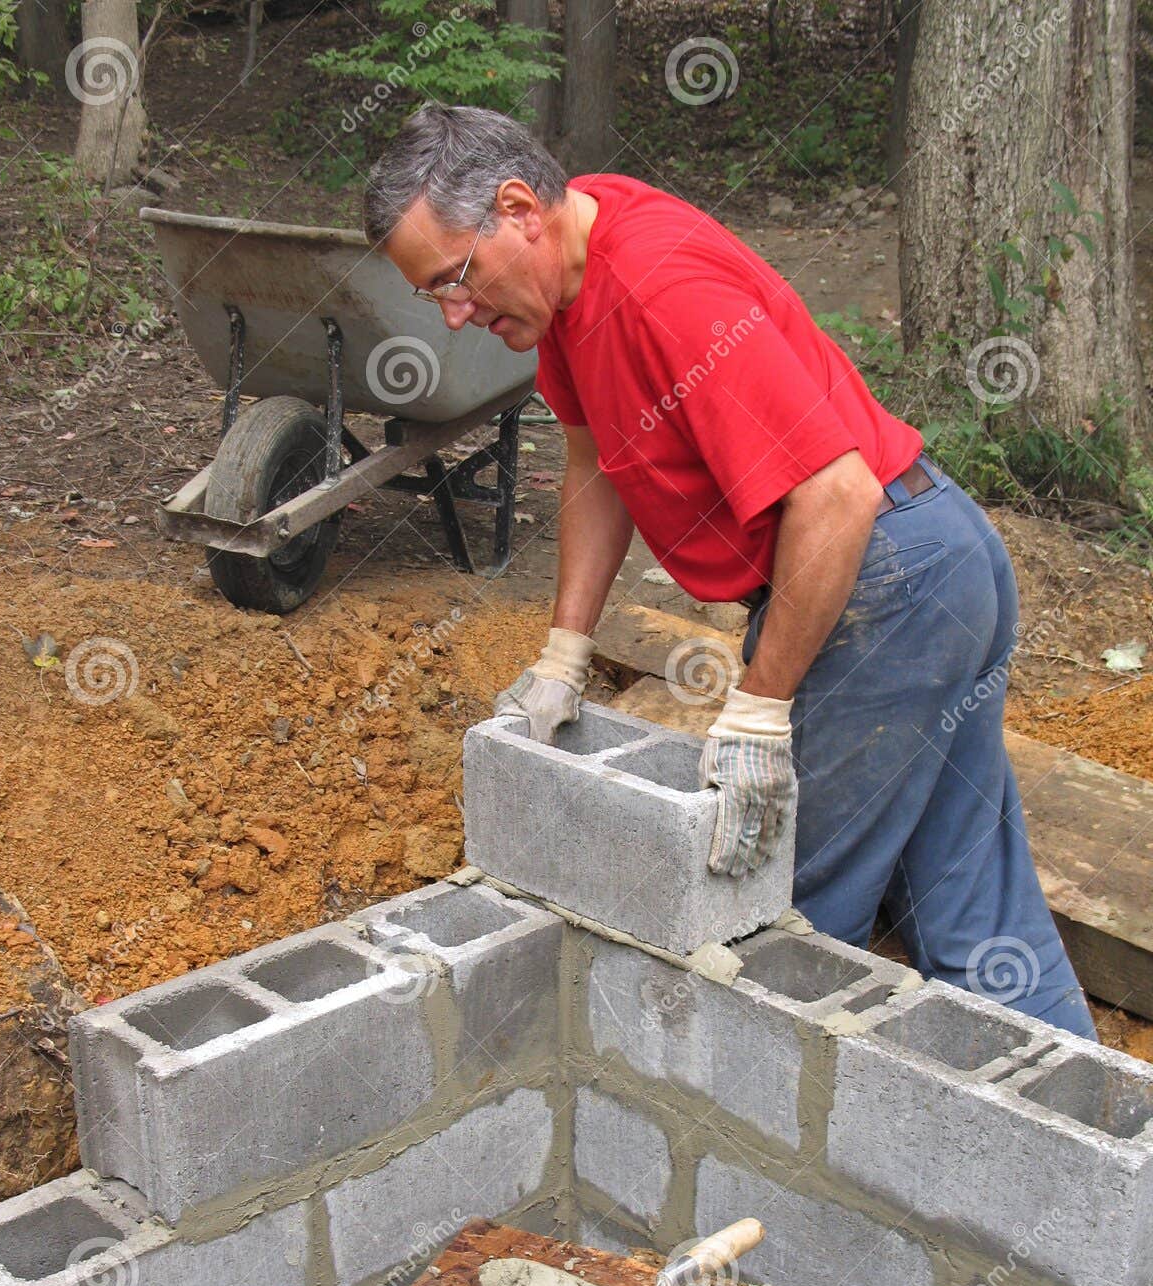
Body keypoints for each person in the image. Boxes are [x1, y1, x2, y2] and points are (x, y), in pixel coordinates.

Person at [363, 104, 1095, 1039]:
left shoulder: (661, 289)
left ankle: (764, 1170)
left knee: (774, 916)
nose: (456, 313)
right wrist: (564, 653)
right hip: (930, 568)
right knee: (966, 898)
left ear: (518, 209)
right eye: (435, 296)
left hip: (885, 585)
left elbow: (836, 496)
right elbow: (595, 461)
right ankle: (1097, 1145)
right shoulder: (565, 280)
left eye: (455, 279)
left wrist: (759, 707)